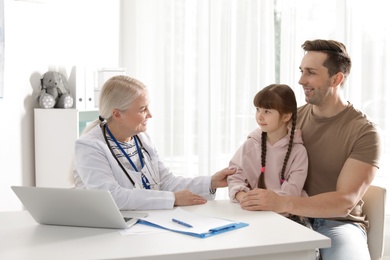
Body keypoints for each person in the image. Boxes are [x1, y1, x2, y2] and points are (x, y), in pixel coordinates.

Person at [239, 39, 382, 260]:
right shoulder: (290, 120)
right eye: (301, 71)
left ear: (337, 79)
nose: (301, 80)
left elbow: (344, 202)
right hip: (286, 218)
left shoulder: (364, 132)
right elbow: (253, 156)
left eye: (310, 72)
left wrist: (280, 202)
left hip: (338, 225)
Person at [73, 75, 236, 210]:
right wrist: (171, 199)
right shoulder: (89, 146)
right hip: (104, 232)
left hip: (143, 224)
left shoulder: (142, 139)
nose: (149, 114)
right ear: (117, 114)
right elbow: (110, 197)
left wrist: (211, 182)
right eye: (142, 109)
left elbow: (166, 182)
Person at [227, 84, 309, 222]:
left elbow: (292, 192)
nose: (259, 116)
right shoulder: (251, 144)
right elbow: (234, 175)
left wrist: (262, 203)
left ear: (286, 116)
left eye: (267, 111)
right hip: (253, 214)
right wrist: (243, 197)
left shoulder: (298, 152)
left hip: (289, 218)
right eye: (258, 110)